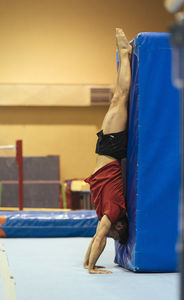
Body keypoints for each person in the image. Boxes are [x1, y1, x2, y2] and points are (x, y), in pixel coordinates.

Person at [83, 28, 132, 274]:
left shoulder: (109, 213)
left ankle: (124, 55)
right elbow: (100, 235)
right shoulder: (113, 213)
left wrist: (86, 263)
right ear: (119, 227)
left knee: (118, 99)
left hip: (108, 150)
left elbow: (96, 235)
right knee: (119, 98)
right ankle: (125, 54)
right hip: (112, 150)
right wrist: (92, 267)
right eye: (114, 235)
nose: (108, 234)